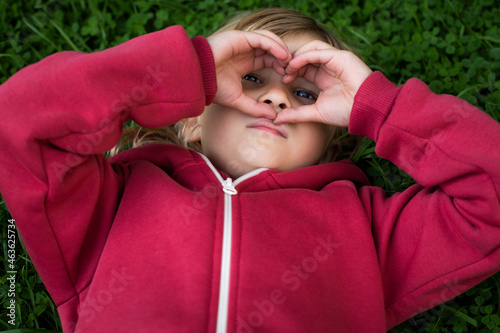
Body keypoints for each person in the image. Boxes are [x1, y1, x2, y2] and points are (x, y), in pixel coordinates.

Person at [0, 7, 499, 333]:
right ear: (194, 118)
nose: (276, 96)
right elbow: (21, 121)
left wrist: (379, 107)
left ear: (329, 144)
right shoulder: (112, 202)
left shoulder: (369, 229)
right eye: (250, 80)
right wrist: (189, 68)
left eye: (305, 94)